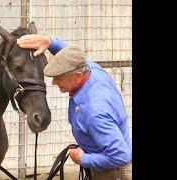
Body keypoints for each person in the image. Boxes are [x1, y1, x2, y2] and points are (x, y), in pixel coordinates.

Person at [17, 35, 132, 180]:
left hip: (113, 172)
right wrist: (51, 43)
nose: (53, 82)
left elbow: (121, 156)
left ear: (77, 77)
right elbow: (74, 56)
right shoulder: (93, 71)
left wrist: (83, 159)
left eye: (58, 77)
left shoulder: (94, 111)